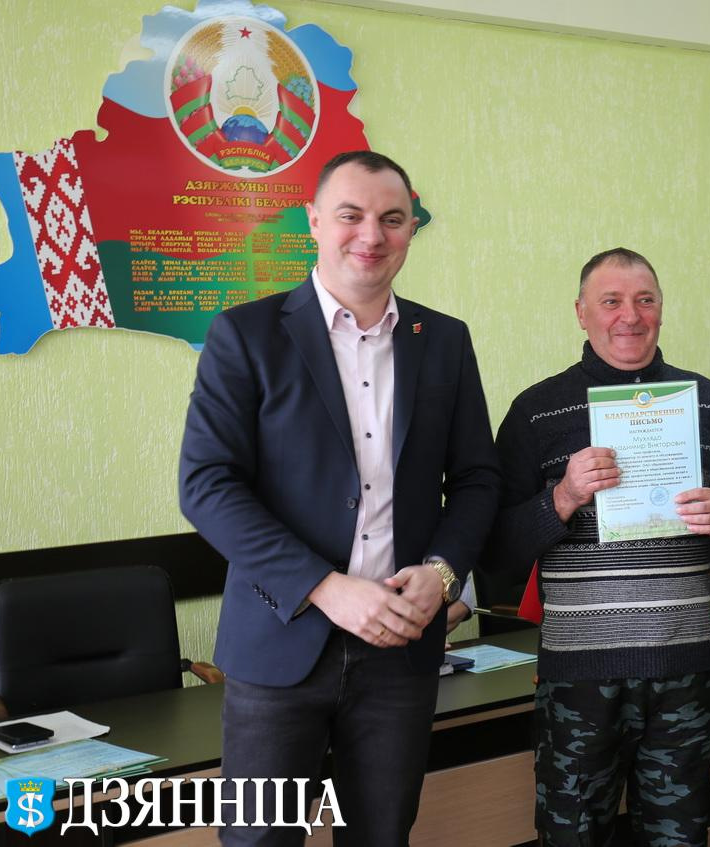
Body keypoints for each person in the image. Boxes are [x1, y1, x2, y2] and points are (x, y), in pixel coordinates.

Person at [179, 150, 500, 846]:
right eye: (351, 215)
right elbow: (206, 484)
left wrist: (443, 573)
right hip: (279, 644)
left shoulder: (444, 340)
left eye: (393, 218)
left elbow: (479, 478)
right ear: (315, 222)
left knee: (381, 837)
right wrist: (324, 587)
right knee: (261, 840)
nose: (371, 235)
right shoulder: (247, 334)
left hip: (402, 649)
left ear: (411, 228)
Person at [488, 247, 710, 846]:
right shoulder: (536, 411)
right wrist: (562, 497)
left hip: (682, 670)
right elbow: (496, 550)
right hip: (578, 678)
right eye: (611, 301)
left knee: (680, 836)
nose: (630, 316)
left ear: (661, 309)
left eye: (645, 300)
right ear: (581, 313)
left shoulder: (705, 400)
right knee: (571, 835)